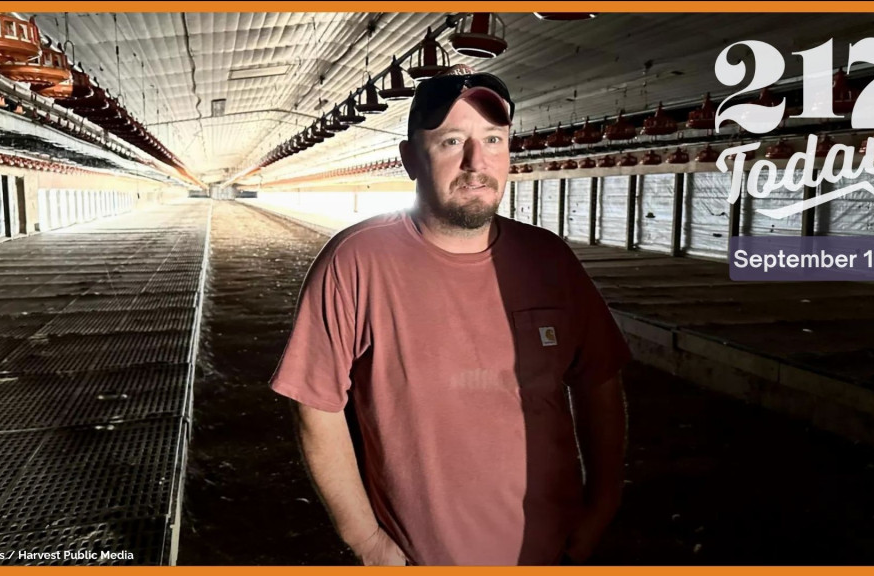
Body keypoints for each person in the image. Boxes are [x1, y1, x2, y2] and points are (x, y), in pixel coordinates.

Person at [269, 65, 631, 566]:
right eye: (450, 141)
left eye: (493, 139)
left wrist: (603, 503)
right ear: (410, 158)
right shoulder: (356, 261)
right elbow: (316, 404)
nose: (475, 162)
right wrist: (367, 542)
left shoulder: (550, 259)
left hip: (554, 550)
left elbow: (599, 383)